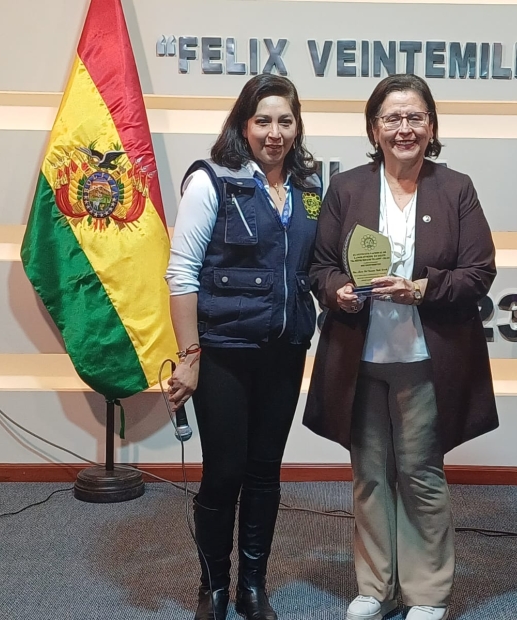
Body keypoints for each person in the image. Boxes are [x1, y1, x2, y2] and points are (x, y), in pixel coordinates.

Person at [304, 74, 499, 620]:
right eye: (392, 118)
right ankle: (376, 588)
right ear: (374, 129)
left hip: (425, 360)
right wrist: (337, 291)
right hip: (360, 358)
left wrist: (422, 289)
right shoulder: (346, 189)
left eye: (415, 117)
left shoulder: (455, 188)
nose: (404, 128)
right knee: (369, 476)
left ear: (431, 127)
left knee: (420, 474)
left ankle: (427, 592)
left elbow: (480, 271)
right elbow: (320, 266)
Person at [165, 74, 321, 620]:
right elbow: (182, 273)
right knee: (224, 472)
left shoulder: (309, 189)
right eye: (263, 121)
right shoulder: (211, 181)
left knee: (264, 472)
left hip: (286, 349)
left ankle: (252, 586)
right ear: (243, 124)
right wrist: (189, 358)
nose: (274, 133)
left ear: (297, 126)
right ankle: (213, 587)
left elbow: (314, 265)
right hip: (223, 352)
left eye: (285, 121)